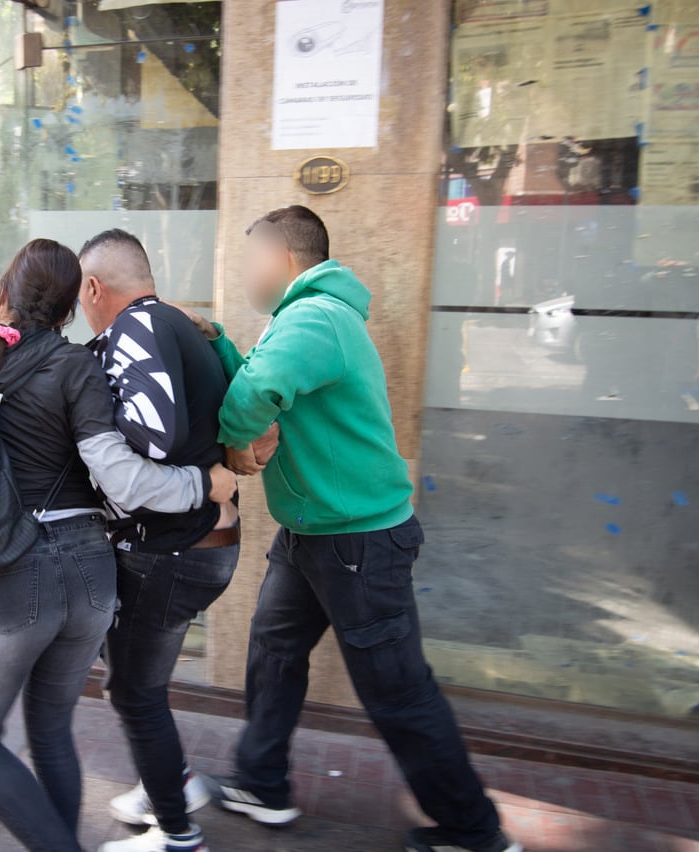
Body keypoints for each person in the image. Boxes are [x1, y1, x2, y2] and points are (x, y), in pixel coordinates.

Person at [187, 206, 519, 852]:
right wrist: (218, 341)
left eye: (250, 256)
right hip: (315, 534)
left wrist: (233, 450)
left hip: (357, 545)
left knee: (396, 691)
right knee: (274, 651)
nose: (245, 268)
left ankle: (474, 832)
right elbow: (257, 370)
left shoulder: (314, 318)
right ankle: (261, 781)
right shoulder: (305, 320)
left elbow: (257, 392)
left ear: (284, 258)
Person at [0, 238, 237, 852]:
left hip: (13, 573)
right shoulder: (80, 368)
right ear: (75, 304)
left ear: (2, 294)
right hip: (93, 576)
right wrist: (202, 483)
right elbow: (120, 475)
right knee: (50, 731)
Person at [78, 230, 249, 852]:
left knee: (133, 689)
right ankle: (170, 783)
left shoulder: (135, 328)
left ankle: (177, 832)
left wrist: (89, 422)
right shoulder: (167, 323)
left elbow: (152, 436)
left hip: (173, 550)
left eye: (80, 293)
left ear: (94, 287)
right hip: (199, 543)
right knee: (135, 681)